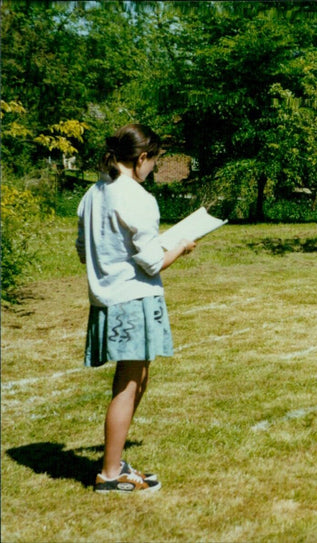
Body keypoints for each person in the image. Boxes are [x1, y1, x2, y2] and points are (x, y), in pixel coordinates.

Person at [76, 124, 196, 493]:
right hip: (132, 299)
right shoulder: (137, 197)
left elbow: (84, 249)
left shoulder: (94, 193)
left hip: (110, 297)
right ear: (142, 158)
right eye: (153, 163)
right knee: (128, 385)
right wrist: (181, 247)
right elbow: (153, 264)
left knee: (137, 379)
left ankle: (115, 461)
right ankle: (110, 474)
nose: (153, 170)